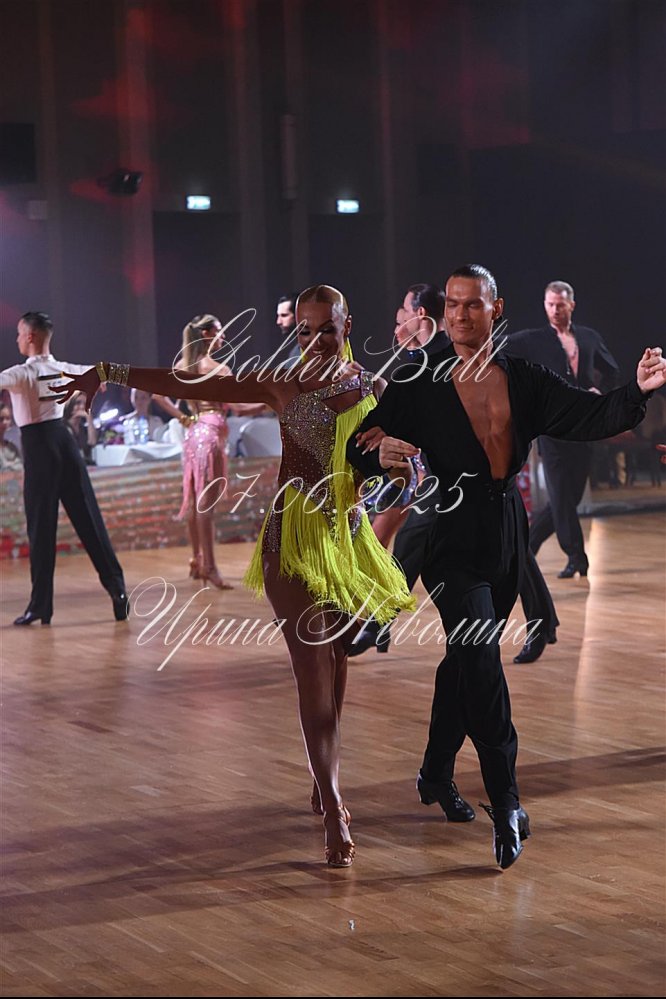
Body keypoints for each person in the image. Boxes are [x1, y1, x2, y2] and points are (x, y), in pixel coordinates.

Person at [56, 285, 415, 869]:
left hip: (347, 540)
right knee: (312, 669)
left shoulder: (374, 389)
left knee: (337, 662)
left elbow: (407, 463)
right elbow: (187, 384)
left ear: (348, 326)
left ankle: (322, 775)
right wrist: (108, 371)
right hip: (291, 540)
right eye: (304, 330)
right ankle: (334, 804)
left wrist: (401, 476)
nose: (315, 340)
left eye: (327, 328)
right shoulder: (281, 383)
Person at [346, 264, 663, 870]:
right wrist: (378, 451)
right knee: (483, 665)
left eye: (472, 305)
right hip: (450, 536)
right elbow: (361, 443)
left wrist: (638, 391)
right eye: (452, 305)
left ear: (495, 308)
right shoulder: (418, 377)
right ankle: (508, 801)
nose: (460, 315)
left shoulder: (523, 377)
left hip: (505, 535)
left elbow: (588, 416)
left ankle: (435, 773)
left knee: (463, 664)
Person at [0, 312, 129, 625]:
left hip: (39, 449)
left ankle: (40, 606)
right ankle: (118, 591)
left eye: (19, 333)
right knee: (89, 519)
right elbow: (102, 372)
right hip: (66, 444)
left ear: (30, 336)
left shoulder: (21, 374)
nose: (17, 339)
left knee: (41, 528)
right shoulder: (65, 368)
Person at [505, 281, 620, 579]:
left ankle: (526, 546)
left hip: (584, 427)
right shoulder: (533, 339)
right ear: (545, 305)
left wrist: (600, 391)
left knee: (569, 497)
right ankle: (577, 557)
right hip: (552, 428)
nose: (555, 310)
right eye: (550, 304)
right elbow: (500, 349)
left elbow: (612, 371)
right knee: (560, 494)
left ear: (572, 305)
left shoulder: (589, 337)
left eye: (560, 305)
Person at [64, 391, 98, 464]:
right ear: (70, 404)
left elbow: (92, 442)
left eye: (86, 404)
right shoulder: (62, 426)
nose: (82, 407)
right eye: (78, 403)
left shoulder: (83, 427)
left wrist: (89, 418)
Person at [273, 292, 302, 372]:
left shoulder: (315, 349)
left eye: (284, 315)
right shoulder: (296, 351)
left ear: (299, 315)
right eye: (278, 316)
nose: (278, 322)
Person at [0, 402, 23, 470]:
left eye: (8, 418)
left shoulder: (12, 446)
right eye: (1, 419)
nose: (5, 422)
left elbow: (20, 467)